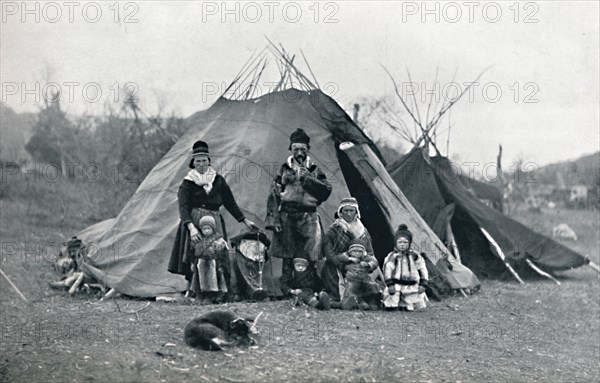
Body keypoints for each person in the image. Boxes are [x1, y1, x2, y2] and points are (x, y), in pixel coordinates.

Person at [168, 140, 256, 296]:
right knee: (197, 255)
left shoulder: (218, 180)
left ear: (209, 161)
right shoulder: (188, 183)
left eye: (204, 161)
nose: (201, 164)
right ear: (193, 163)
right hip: (194, 221)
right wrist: (191, 227)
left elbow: (230, 203)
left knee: (218, 253)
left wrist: (244, 220)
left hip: (214, 221)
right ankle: (196, 291)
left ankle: (219, 291)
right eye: (198, 161)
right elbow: (183, 207)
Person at [265, 128, 332, 286]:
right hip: (287, 215)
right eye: (296, 149)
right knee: (287, 250)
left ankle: (308, 282)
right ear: (291, 149)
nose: (299, 152)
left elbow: (326, 191)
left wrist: (308, 179)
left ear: (308, 149)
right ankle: (287, 284)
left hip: (308, 216)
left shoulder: (315, 170)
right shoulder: (283, 169)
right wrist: (275, 220)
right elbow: (273, 194)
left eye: (303, 149)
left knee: (311, 250)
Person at [321, 197, 382, 306]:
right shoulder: (334, 229)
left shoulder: (363, 231)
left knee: (368, 284)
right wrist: (344, 264)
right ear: (340, 212)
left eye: (351, 211)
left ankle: (359, 301)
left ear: (356, 212)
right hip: (337, 266)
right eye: (346, 211)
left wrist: (366, 265)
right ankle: (336, 301)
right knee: (340, 290)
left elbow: (370, 253)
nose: (349, 214)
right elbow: (329, 254)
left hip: (359, 267)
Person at [382, 224, 429, 311]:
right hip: (396, 285)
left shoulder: (415, 256)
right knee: (392, 302)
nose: (402, 245)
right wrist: (390, 284)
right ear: (396, 243)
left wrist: (423, 283)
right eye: (400, 242)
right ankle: (394, 305)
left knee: (412, 304)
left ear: (410, 243)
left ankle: (407, 305)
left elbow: (422, 269)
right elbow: (387, 270)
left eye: (405, 242)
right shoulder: (392, 256)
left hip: (412, 285)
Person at [190, 216, 229, 304]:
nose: (206, 231)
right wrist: (192, 263)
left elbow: (222, 255)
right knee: (199, 280)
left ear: (213, 228)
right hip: (200, 264)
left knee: (213, 280)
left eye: (208, 228)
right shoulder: (198, 240)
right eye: (204, 229)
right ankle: (200, 296)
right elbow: (193, 253)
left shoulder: (218, 240)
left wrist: (220, 265)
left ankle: (211, 296)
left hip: (213, 263)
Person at [340, 240, 382, 310]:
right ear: (350, 252)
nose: (357, 253)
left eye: (360, 252)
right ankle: (356, 303)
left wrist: (368, 264)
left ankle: (372, 302)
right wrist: (349, 259)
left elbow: (375, 262)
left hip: (365, 278)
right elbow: (340, 258)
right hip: (352, 279)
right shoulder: (347, 256)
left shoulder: (366, 258)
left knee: (373, 287)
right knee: (350, 292)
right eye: (354, 251)